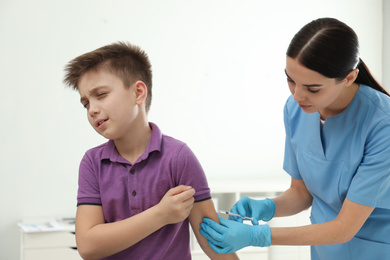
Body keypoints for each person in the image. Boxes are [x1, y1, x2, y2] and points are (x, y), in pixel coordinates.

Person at [200, 17, 390, 259]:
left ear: (350, 78)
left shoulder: (382, 124)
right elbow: (302, 193)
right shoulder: (296, 110)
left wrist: (259, 236)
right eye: (290, 80)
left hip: (374, 249)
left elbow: (344, 228)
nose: (298, 95)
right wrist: (267, 206)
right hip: (324, 249)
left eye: (312, 88)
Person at [63, 42, 239, 260]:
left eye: (100, 94)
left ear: (138, 93)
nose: (92, 110)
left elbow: (213, 241)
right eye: (85, 103)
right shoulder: (92, 162)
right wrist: (160, 215)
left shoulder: (179, 157)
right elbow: (88, 246)